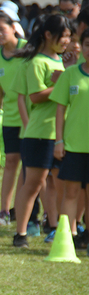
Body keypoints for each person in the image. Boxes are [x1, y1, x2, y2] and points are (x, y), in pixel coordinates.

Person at [11, 14, 72, 248]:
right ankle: (21, 234)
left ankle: (56, 229)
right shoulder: (38, 62)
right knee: (33, 184)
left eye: (68, 37)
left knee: (59, 184)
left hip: (62, 134)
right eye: (62, 36)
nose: (66, 41)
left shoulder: (60, 63)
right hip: (39, 134)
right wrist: (61, 83)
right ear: (48, 35)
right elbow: (35, 97)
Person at [51, 27, 89, 252]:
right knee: (71, 192)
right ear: (81, 47)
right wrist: (59, 141)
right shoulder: (70, 74)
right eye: (86, 45)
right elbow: (59, 110)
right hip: (73, 145)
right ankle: (68, 236)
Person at [0, 12, 27, 226]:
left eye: (2, 29)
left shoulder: (29, 50)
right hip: (10, 119)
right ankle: (4, 211)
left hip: (31, 118)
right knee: (11, 162)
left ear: (14, 28)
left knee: (31, 167)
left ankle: (25, 211)